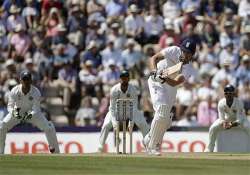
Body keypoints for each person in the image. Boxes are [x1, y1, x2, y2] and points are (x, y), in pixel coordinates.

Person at [143, 39, 196, 155]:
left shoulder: (189, 69)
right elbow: (154, 58)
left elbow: (175, 83)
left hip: (170, 87)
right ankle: (152, 146)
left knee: (166, 120)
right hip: (156, 83)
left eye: (188, 53)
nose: (185, 54)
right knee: (162, 110)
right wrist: (154, 71)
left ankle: (148, 138)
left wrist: (163, 77)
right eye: (184, 51)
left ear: (192, 55)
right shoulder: (174, 50)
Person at [0, 71, 60, 154]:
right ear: (20, 81)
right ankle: (0, 152)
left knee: (49, 127)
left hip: (33, 114)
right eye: (24, 79)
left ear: (31, 81)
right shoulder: (14, 91)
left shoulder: (36, 92)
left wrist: (29, 115)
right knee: (1, 126)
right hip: (17, 113)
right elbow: (10, 106)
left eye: (28, 79)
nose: (26, 82)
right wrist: (14, 113)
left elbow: (36, 109)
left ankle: (56, 152)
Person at [98, 70, 150, 152]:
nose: (124, 79)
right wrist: (115, 123)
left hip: (130, 111)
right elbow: (112, 108)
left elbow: (134, 107)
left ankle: (148, 145)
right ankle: (100, 146)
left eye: (126, 77)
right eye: (122, 78)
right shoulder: (114, 90)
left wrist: (131, 122)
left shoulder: (133, 89)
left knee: (144, 124)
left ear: (128, 79)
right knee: (106, 125)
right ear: (120, 79)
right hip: (116, 111)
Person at [205, 84, 250, 152]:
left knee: (248, 127)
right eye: (226, 93)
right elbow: (221, 118)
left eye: (230, 93)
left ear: (233, 94)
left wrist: (231, 124)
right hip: (227, 119)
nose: (228, 95)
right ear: (224, 94)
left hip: (241, 120)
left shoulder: (239, 103)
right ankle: (209, 148)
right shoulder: (221, 103)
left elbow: (240, 120)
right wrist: (224, 123)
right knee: (213, 128)